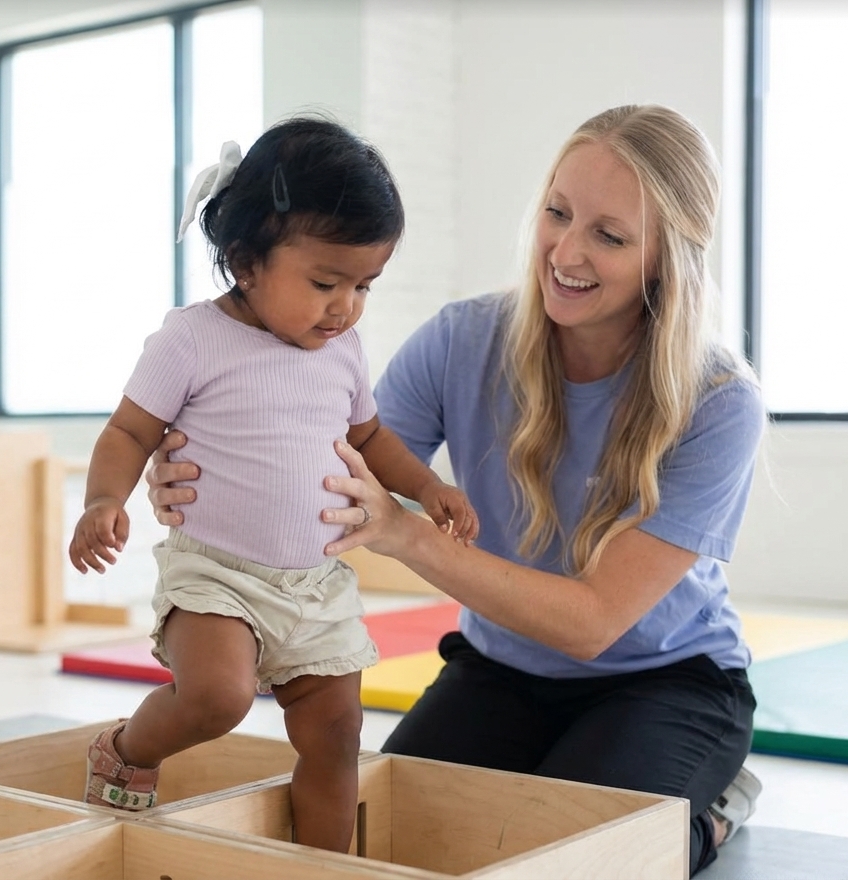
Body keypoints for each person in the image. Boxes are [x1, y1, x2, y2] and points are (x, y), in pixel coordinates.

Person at [145, 104, 765, 875]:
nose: (565, 252)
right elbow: (329, 452)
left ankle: (708, 819)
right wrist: (178, 462)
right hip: (501, 670)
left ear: (668, 258)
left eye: (608, 235)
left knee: (572, 855)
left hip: (666, 682)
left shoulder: (719, 399)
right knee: (406, 842)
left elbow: (593, 623)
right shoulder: (464, 339)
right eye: (557, 213)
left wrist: (405, 534)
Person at [68, 117, 478, 853]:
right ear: (245, 260)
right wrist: (105, 501)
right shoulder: (192, 339)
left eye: (363, 286)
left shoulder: (342, 351)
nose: (344, 306)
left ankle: (327, 865)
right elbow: (129, 431)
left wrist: (427, 487)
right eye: (325, 282)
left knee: (337, 734)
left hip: (316, 585)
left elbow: (371, 438)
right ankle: (129, 748)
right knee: (219, 697)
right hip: (217, 576)